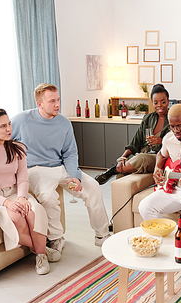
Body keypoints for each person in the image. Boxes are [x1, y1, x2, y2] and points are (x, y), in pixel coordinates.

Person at [11, 83, 110, 251]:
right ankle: (56, 238)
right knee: (48, 197)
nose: (57, 104)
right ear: (39, 104)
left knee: (92, 187)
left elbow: (70, 153)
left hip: (61, 168)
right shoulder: (22, 120)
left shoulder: (64, 122)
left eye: (58, 100)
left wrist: (74, 175)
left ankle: (102, 235)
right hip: (36, 170)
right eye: (52, 101)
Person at [0, 109, 61, 275]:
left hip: (15, 193)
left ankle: (40, 257)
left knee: (33, 212)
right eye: (3, 126)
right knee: (16, 218)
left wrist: (22, 198)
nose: (9, 129)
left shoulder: (18, 148)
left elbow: (22, 179)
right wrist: (7, 203)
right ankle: (42, 250)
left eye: (9, 124)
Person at [95, 84, 171, 185]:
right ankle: (120, 193)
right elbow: (135, 143)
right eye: (155, 102)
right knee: (121, 175)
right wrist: (122, 158)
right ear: (152, 103)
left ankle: (112, 171)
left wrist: (161, 141)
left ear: (168, 102)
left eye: (163, 102)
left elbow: (177, 144)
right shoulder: (147, 119)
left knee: (141, 158)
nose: (159, 105)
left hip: (159, 157)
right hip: (141, 154)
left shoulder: (173, 119)